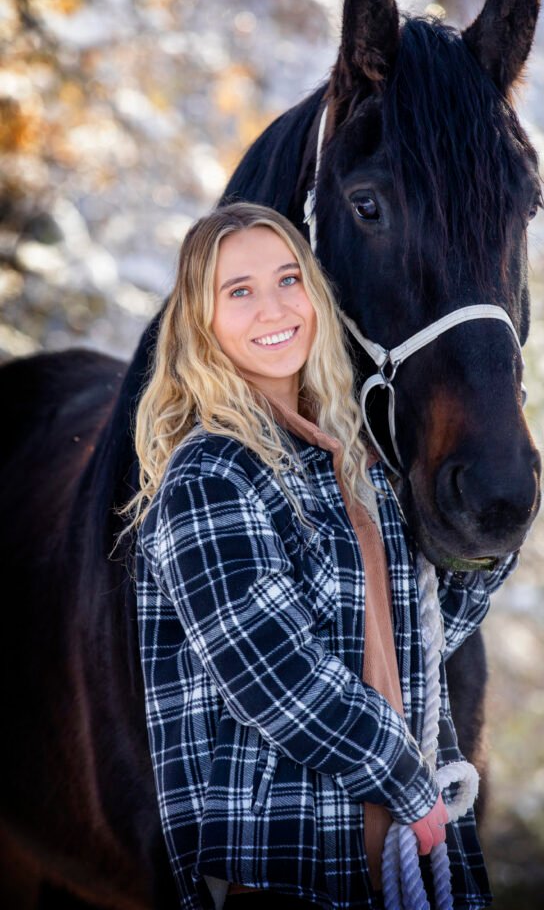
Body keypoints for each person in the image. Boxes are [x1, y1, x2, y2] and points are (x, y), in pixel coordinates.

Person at [122, 202, 518, 910]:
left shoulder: (351, 466)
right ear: (200, 320)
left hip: (401, 861)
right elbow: (274, 678)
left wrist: (486, 527)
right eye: (237, 291)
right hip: (287, 872)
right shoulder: (211, 474)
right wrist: (408, 784)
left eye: (287, 279)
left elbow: (417, 644)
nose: (273, 308)